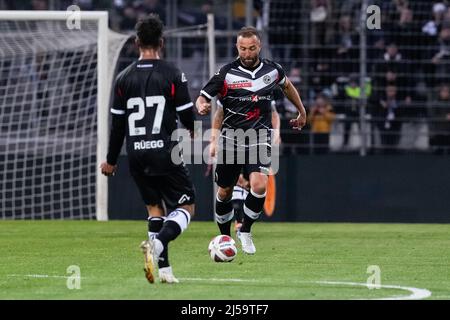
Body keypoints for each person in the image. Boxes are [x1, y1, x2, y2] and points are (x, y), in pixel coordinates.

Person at [100, 14, 195, 284]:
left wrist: (110, 160)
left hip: (136, 153)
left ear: (136, 42)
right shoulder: (172, 73)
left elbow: (117, 125)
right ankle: (159, 243)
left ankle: (163, 270)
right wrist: (192, 130)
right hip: (165, 151)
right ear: (161, 42)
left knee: (155, 209)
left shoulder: (123, 78)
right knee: (187, 207)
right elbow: (187, 114)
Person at [196, 26, 306, 254]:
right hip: (231, 138)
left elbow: (287, 86)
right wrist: (202, 105)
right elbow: (203, 97)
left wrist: (301, 111)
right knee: (225, 191)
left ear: (259, 46)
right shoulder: (226, 73)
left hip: (259, 136)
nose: (247, 53)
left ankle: (245, 229)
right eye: (243, 48)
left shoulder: (273, 70)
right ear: (237, 47)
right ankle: (225, 236)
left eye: (251, 48)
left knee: (258, 184)